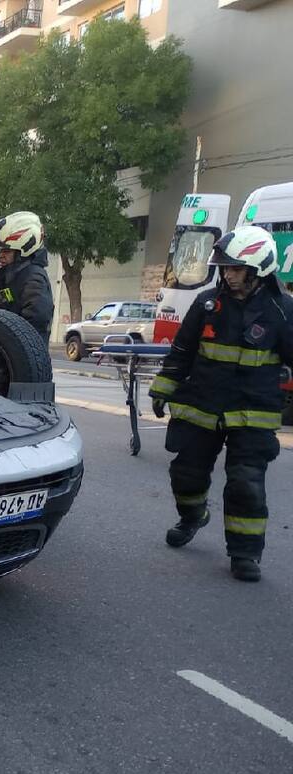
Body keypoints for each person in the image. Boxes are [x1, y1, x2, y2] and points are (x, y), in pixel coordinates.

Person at [149, 226, 293, 582]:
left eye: (235, 268)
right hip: (203, 404)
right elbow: (182, 351)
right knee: (186, 474)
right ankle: (193, 515)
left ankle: (245, 553)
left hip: (253, 411)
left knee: (246, 482)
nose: (227, 274)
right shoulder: (206, 304)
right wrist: (162, 389)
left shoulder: (283, 310)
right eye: (225, 268)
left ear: (258, 268)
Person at [0, 211, 54, 341]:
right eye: (0, 250)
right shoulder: (9, 276)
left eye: (6, 251)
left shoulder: (33, 278)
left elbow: (35, 321)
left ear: (25, 248)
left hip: (22, 358)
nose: (0, 255)